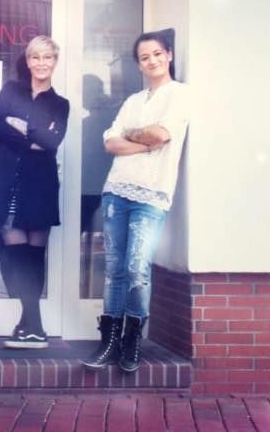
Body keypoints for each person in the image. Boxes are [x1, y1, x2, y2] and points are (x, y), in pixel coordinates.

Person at [81, 30, 189, 373]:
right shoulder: (132, 102)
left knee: (137, 269)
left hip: (152, 195)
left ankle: (132, 341)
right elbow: (111, 143)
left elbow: (162, 134)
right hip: (116, 191)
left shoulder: (180, 95)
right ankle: (108, 342)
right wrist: (144, 140)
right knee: (113, 270)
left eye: (157, 54)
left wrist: (138, 136)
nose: (152, 61)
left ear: (168, 55)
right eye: (145, 57)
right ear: (139, 64)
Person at [0, 35, 69, 348]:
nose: (41, 64)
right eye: (35, 57)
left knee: (35, 253)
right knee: (15, 252)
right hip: (6, 182)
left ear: (55, 62)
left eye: (47, 58)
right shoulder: (11, 91)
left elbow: (49, 142)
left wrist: (18, 128)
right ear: (28, 61)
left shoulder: (60, 104)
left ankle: (31, 325)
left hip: (40, 183)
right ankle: (34, 324)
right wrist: (25, 136)